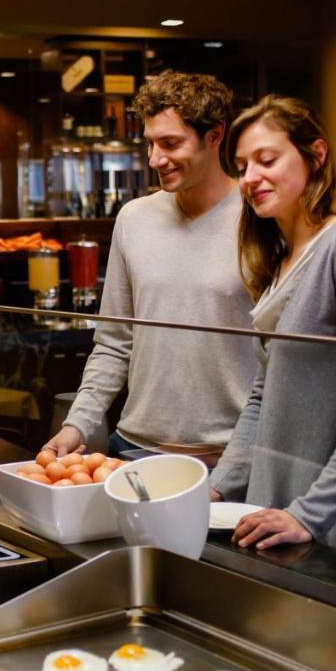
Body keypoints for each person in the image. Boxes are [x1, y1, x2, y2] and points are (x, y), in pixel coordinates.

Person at [209, 95, 336, 554]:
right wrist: (216, 490)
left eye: (267, 159)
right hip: (272, 500)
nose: (250, 178)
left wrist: (310, 513)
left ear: (315, 155)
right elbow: (263, 395)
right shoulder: (280, 259)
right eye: (241, 167)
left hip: (325, 510)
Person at [45, 71, 257, 465]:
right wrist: (78, 425)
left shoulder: (260, 220)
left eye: (171, 143)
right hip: (131, 450)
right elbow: (113, 341)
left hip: (227, 459)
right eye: (150, 143)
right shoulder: (134, 218)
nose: (155, 158)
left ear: (215, 136)